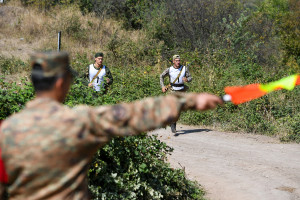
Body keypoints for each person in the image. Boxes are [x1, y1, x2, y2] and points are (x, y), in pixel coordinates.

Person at [0, 51, 222, 200]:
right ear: (61, 82)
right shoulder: (79, 121)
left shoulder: (5, 132)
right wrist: (189, 101)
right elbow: (133, 115)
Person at [160, 54, 192, 133]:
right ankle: (173, 124)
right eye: (176, 60)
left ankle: (173, 121)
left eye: (179, 60)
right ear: (173, 61)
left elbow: (190, 77)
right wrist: (163, 86)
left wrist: (187, 79)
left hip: (181, 90)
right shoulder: (169, 69)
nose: (178, 62)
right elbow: (161, 76)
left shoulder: (184, 68)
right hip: (172, 90)